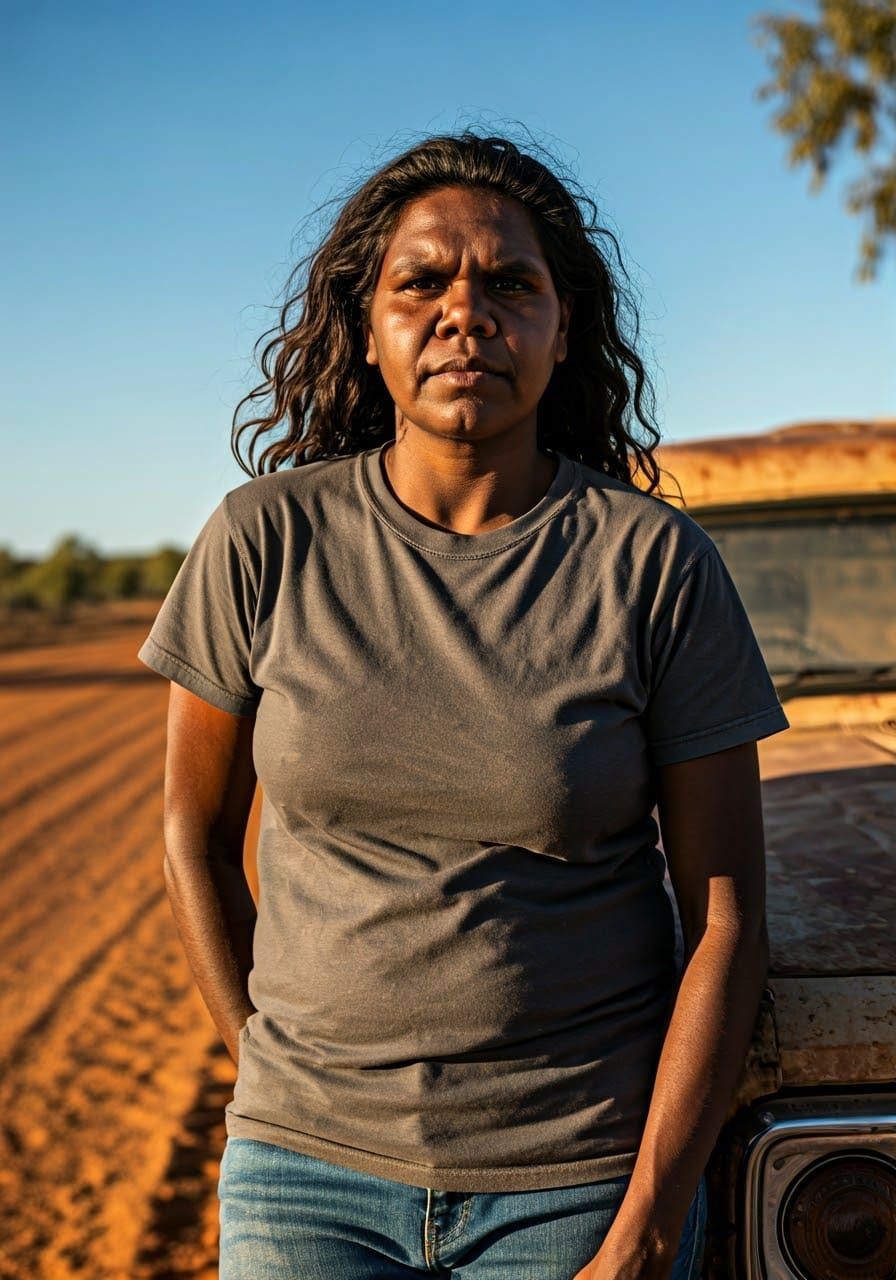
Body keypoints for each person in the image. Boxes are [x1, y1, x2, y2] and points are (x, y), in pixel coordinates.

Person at [139, 132, 788, 1279]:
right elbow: (191, 833)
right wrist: (267, 1077)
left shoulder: (651, 564)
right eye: (422, 281)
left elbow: (725, 915)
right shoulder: (264, 538)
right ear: (367, 326)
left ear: (561, 327)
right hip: (304, 1186)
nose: (465, 312)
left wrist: (642, 1228)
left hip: (578, 1181)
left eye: (509, 284)